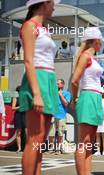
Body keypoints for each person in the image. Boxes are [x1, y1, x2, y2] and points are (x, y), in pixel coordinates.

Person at [19, 0, 60, 174]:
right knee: (34, 138)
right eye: (53, 3)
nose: (54, 7)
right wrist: (36, 93)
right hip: (37, 78)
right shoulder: (29, 26)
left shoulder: (44, 29)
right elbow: (28, 61)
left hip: (49, 80)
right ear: (45, 4)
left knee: (40, 139)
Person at [71, 27, 104, 175]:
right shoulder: (85, 56)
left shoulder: (92, 58)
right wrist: (76, 98)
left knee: (89, 143)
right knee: (84, 142)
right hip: (88, 97)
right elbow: (74, 81)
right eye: (100, 41)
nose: (102, 44)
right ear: (96, 41)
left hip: (95, 97)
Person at [49, 79, 71, 154]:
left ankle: (58, 149)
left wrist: (61, 95)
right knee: (51, 133)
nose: (56, 85)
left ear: (62, 85)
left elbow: (66, 104)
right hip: (53, 116)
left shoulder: (67, 93)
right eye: (56, 84)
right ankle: (51, 148)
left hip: (62, 116)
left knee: (60, 133)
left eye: (58, 84)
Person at [94, 92, 104, 156]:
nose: (100, 94)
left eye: (101, 93)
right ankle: (98, 151)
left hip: (103, 120)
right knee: (97, 136)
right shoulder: (95, 101)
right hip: (97, 120)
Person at [12, 86, 27, 153]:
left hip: (26, 116)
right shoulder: (16, 98)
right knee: (18, 133)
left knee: (27, 133)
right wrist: (20, 107)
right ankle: (19, 148)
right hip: (18, 115)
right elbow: (13, 108)